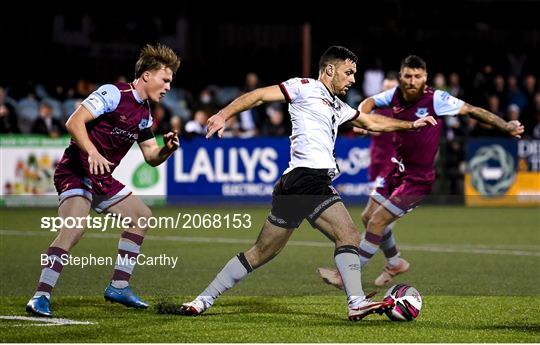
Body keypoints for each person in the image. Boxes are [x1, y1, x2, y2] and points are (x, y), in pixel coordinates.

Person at [176, 46, 437, 321]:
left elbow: (371, 121)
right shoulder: (304, 87)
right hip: (308, 178)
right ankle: (356, 302)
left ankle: (201, 300)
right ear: (329, 70)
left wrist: (410, 125)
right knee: (348, 236)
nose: (352, 79)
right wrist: (222, 115)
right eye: (348, 73)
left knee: (260, 253)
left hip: (293, 185)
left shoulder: (337, 105)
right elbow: (259, 96)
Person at [317, 55, 524, 290]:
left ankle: (346, 277)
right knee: (367, 217)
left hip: (418, 180)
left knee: (376, 222)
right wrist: (363, 121)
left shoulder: (436, 99)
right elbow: (369, 102)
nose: (412, 81)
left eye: (417, 76)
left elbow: (472, 110)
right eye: (407, 76)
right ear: (401, 76)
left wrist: (505, 125)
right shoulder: (394, 95)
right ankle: (394, 262)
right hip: (396, 169)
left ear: (425, 78)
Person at [26, 43, 181, 317]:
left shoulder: (145, 114)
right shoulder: (113, 93)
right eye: (165, 79)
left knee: (141, 216)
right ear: (147, 75)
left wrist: (167, 149)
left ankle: (119, 287)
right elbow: (74, 122)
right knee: (74, 227)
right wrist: (93, 152)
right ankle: (40, 295)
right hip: (75, 169)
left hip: (100, 176)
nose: (169, 86)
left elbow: (150, 156)